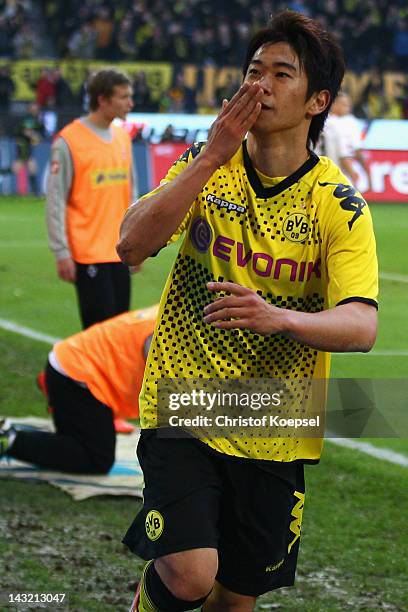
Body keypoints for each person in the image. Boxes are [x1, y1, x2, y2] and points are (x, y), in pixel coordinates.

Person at [117, 10, 378, 612]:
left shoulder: (338, 205)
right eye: (252, 71)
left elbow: (362, 326)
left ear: (318, 100)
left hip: (275, 422)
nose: (259, 84)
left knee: (234, 601)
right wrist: (211, 156)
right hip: (183, 399)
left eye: (280, 73)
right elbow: (131, 246)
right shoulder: (208, 166)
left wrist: (279, 318)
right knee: (188, 575)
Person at [0, 305, 158, 474]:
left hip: (78, 370)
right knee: (95, 458)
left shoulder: (175, 317)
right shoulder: (173, 333)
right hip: (78, 378)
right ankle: (9, 439)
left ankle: (12, 437)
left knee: (79, 445)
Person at [46, 68, 138, 330]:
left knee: (119, 331)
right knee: (99, 334)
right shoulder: (69, 141)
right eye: (123, 97)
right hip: (87, 255)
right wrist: (61, 252)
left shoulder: (122, 137)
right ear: (102, 100)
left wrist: (137, 241)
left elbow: (131, 195)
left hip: (119, 253)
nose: (130, 103)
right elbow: (55, 201)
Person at [315, 90, 371, 188]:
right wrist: (352, 172)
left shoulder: (319, 121)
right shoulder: (338, 125)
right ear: (334, 104)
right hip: (337, 174)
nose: (348, 108)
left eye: (349, 105)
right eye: (344, 105)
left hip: (318, 173)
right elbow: (343, 153)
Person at [13, 101, 44, 196]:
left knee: (30, 167)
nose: (36, 110)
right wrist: (32, 136)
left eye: (37, 108)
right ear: (30, 109)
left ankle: (35, 192)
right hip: (23, 146)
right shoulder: (28, 120)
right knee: (24, 167)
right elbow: (24, 132)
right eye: (34, 108)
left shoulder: (37, 120)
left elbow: (40, 133)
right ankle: (35, 192)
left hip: (27, 146)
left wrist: (37, 138)